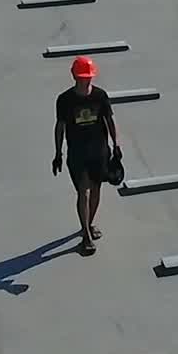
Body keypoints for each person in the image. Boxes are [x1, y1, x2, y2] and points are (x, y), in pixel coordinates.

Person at [53, 56, 120, 255]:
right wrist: (58, 152)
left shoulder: (100, 96)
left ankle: (88, 224)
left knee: (96, 189)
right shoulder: (65, 100)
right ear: (74, 76)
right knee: (84, 191)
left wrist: (116, 144)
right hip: (77, 153)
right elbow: (60, 127)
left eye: (88, 77)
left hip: (99, 151)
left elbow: (109, 120)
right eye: (82, 77)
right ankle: (87, 237)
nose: (85, 81)